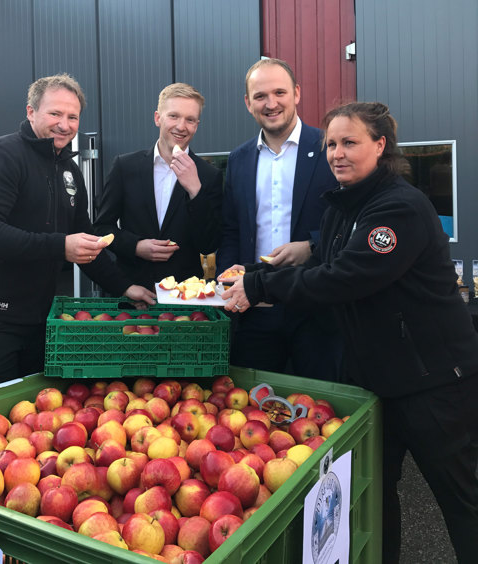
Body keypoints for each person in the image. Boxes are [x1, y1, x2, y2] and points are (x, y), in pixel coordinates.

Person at [222, 101, 478, 563]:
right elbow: (326, 260)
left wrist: (259, 286)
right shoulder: (343, 205)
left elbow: (346, 277)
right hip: (379, 383)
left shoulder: (398, 207)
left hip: (434, 384)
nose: (337, 153)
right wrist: (280, 262)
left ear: (380, 145)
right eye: (331, 144)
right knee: (375, 497)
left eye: (350, 142)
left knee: (462, 501)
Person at [0, 74, 155, 391]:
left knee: (35, 411)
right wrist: (61, 246)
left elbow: (86, 242)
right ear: (31, 112)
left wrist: (125, 287)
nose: (64, 124)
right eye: (55, 113)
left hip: (40, 316)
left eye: (73, 117)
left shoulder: (69, 170)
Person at [216, 58, 342, 381]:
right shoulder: (239, 159)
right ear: (248, 103)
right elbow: (231, 230)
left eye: (279, 92)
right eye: (260, 96)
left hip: (315, 307)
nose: (271, 104)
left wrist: (311, 245)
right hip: (255, 308)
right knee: (252, 402)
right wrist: (229, 282)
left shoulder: (330, 149)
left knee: (319, 401)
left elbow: (348, 220)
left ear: (296, 93)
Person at [93, 83, 223, 290]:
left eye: (190, 119)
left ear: (197, 125)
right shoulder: (124, 166)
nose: (181, 126)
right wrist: (135, 246)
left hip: (184, 295)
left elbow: (208, 245)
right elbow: (101, 228)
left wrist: (195, 191)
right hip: (131, 290)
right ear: (157, 118)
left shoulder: (209, 175)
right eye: (173, 116)